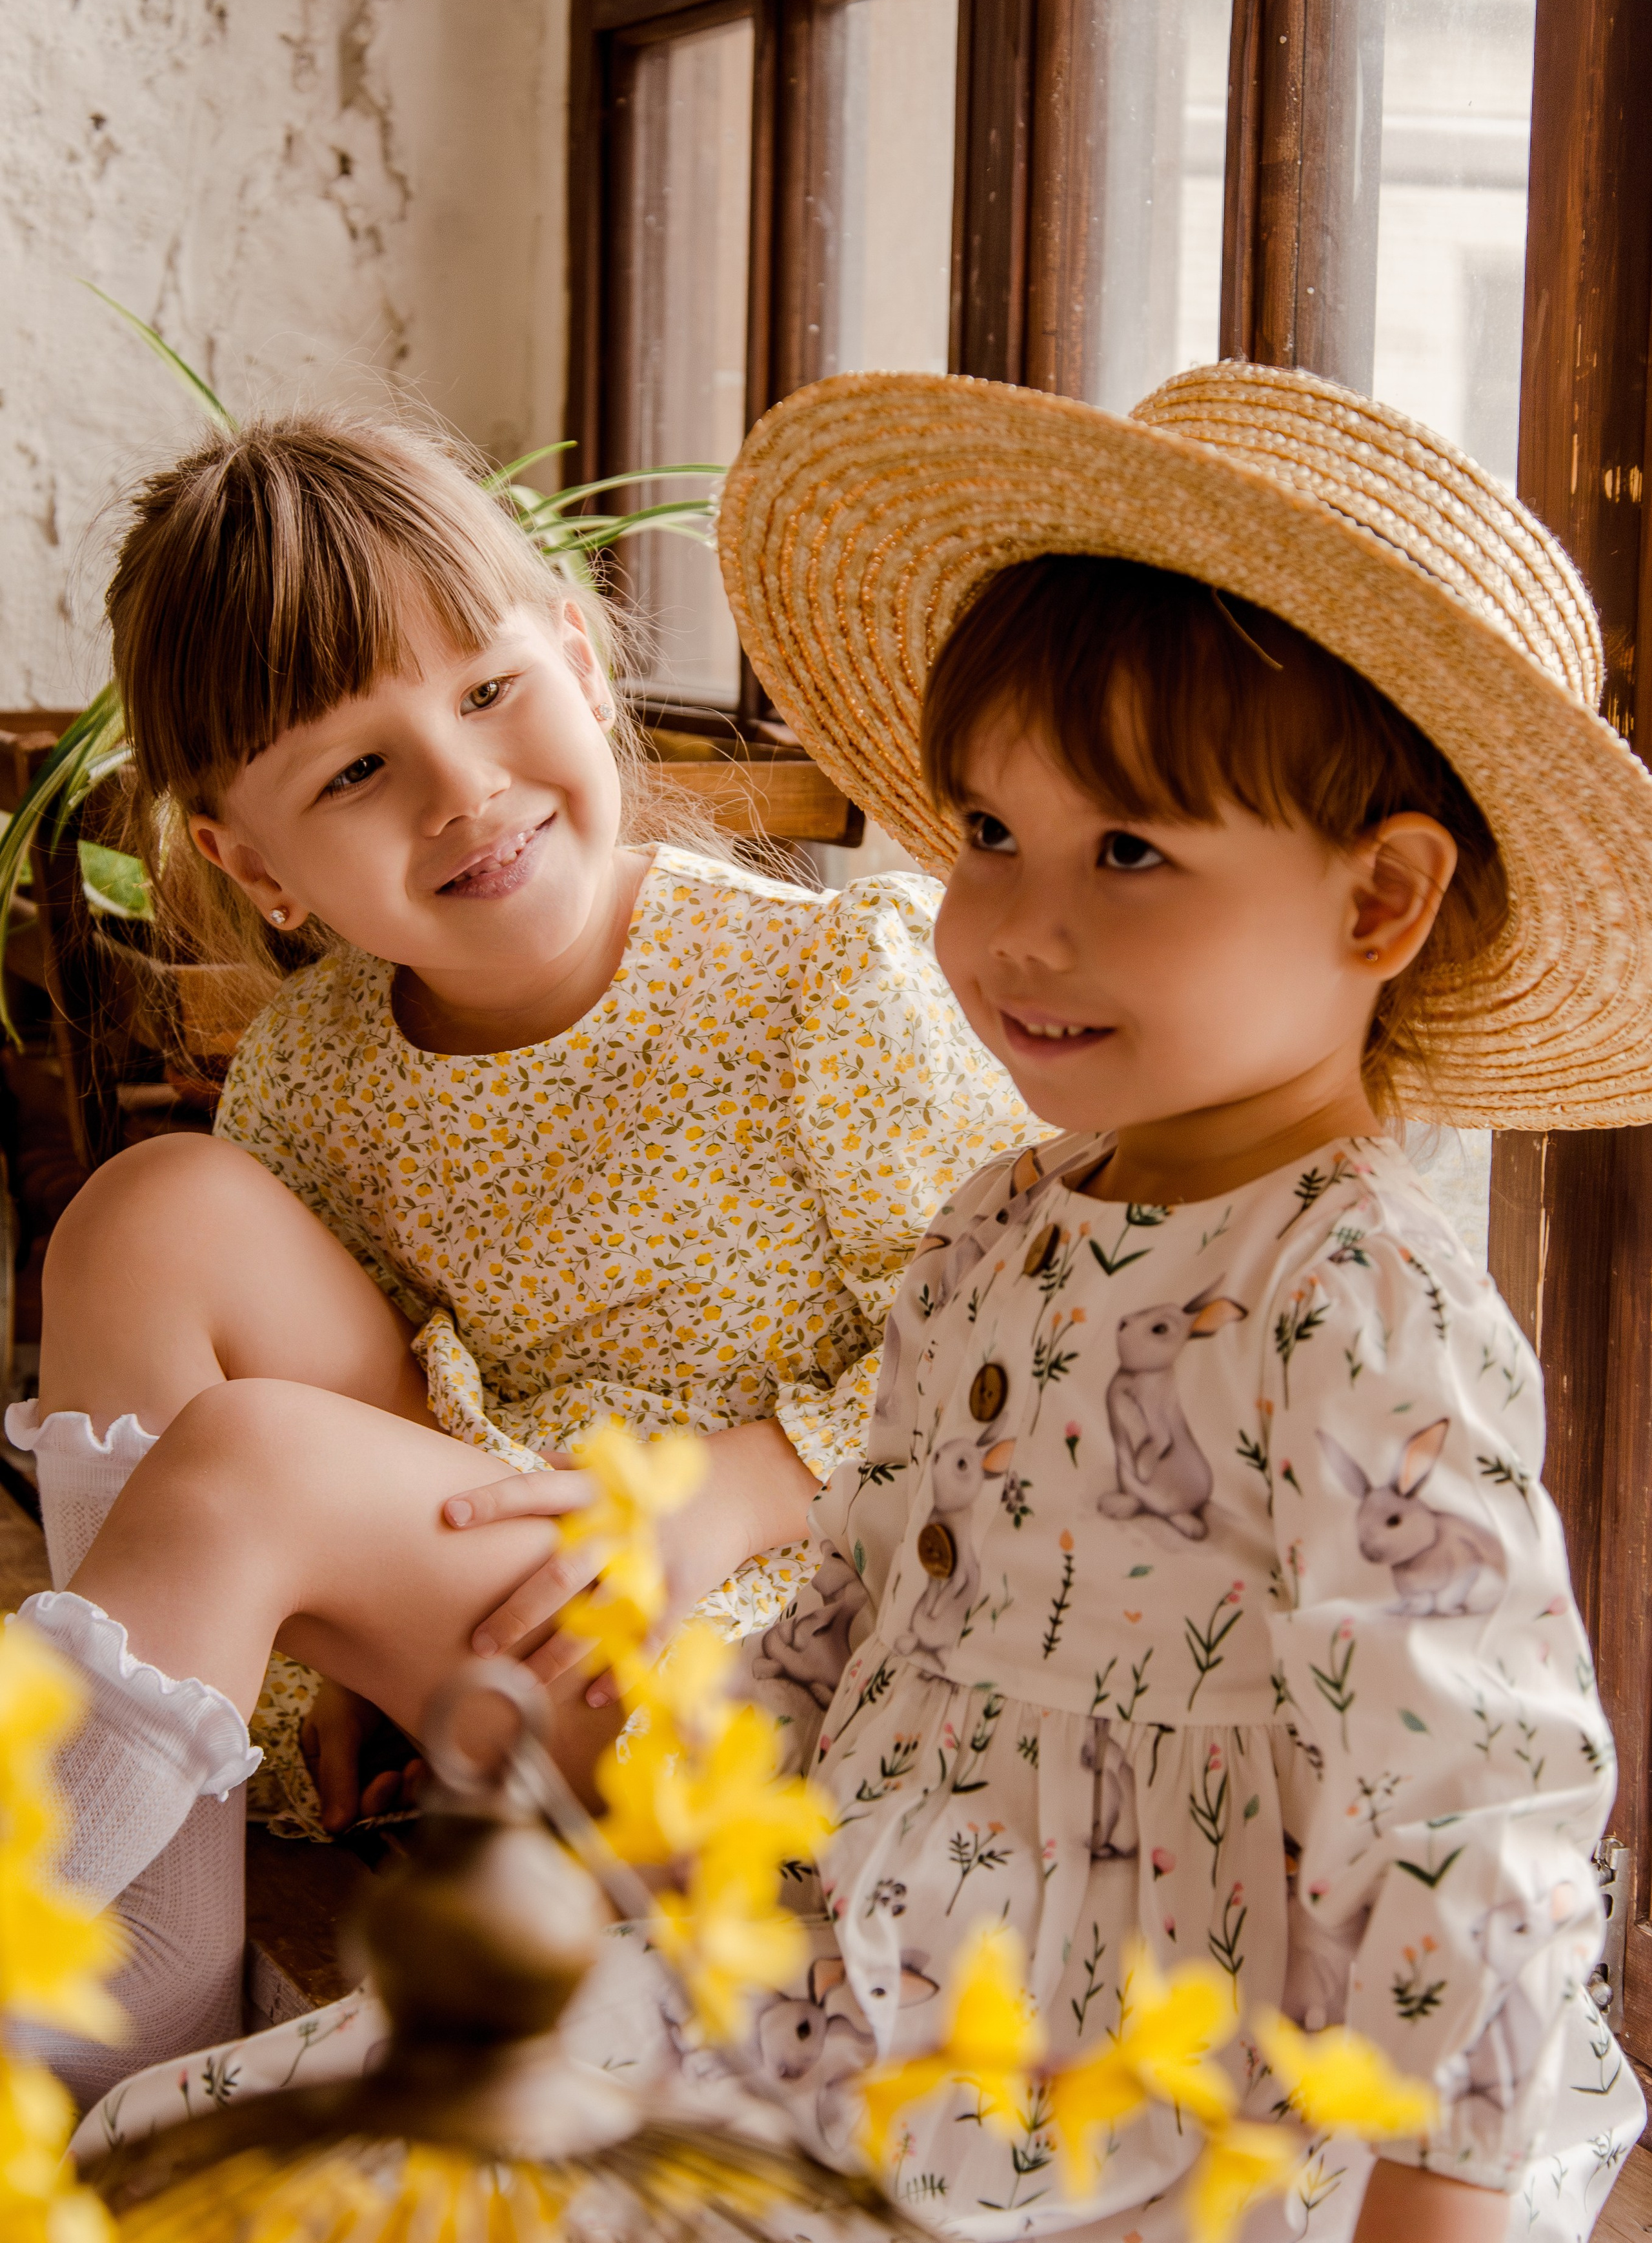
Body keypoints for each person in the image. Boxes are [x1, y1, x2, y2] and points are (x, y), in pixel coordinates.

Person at [45, 362, 1651, 2243]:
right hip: (860, 1888)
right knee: (238, 2168)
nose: (1020, 926)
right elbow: (865, 1603)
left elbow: (1486, 1819)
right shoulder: (1002, 1226)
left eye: (1127, 851)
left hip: (1154, 2009)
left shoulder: (1356, 1305)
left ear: (1380, 903)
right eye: (987, 835)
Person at [4, 414, 1034, 2104]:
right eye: (353, 770)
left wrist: (749, 1481)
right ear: (252, 865)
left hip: (761, 1658)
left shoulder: (817, 992)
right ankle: (148, 2005)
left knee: (259, 1459)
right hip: (504, 1619)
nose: (462, 784)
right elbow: (311, 1410)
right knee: (144, 1216)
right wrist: (316, 1629)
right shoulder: (321, 1068)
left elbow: (1025, 1350)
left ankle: (44, 2013)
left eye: (486, 691)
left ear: (573, 648)